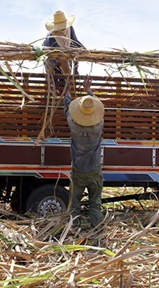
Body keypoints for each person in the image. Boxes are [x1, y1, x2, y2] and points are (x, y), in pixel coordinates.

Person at [64, 76, 105, 228]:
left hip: (78, 171)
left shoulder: (74, 125)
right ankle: (97, 232)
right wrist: (89, 91)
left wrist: (67, 92)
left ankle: (74, 230)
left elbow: (67, 108)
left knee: (74, 205)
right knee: (95, 203)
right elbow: (98, 109)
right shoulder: (98, 126)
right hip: (94, 170)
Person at [43, 10, 84, 76]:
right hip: (53, 54)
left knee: (67, 73)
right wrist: (56, 66)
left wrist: (85, 50)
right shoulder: (52, 36)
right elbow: (51, 52)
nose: (63, 27)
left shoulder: (70, 28)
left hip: (66, 51)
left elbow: (75, 41)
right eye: (60, 26)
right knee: (54, 73)